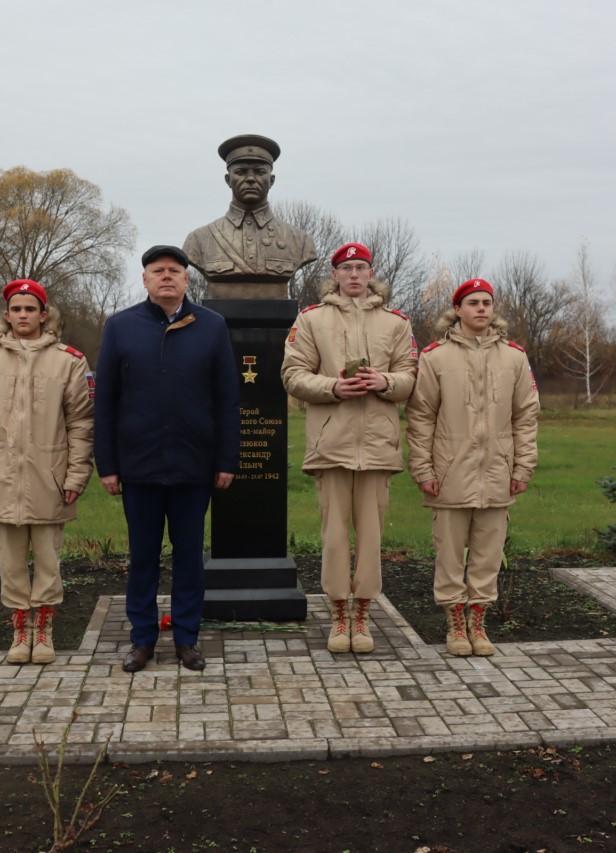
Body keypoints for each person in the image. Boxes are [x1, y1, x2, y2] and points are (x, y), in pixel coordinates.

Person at [94, 245, 239, 673]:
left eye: (174, 271)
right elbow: (106, 402)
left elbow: (227, 398)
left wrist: (226, 459)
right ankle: (142, 640)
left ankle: (187, 639)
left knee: (189, 556)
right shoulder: (121, 327)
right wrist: (108, 465)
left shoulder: (212, 327)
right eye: (157, 271)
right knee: (143, 557)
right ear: (144, 280)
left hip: (193, 466)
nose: (166, 277)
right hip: (138, 466)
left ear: (186, 279)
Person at [281, 242, 418, 654]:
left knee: (372, 537)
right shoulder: (311, 320)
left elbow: (411, 376)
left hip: (378, 447)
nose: (354, 275)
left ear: (371, 272)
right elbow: (292, 374)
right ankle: (339, 614)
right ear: (335, 274)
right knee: (335, 536)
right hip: (332, 444)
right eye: (347, 268)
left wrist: (386, 383)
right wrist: (335, 387)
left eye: (361, 268)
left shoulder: (396, 322)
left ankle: (363, 613)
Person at [0, 279, 93, 665]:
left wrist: (75, 476)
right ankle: (20, 630)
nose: (23, 316)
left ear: (44, 314)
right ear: (7, 315)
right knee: (11, 561)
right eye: (16, 309)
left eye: (30, 309)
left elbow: (81, 424)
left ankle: (44, 630)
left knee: (48, 561)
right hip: (2, 478)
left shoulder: (69, 361)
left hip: (49, 478)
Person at [406, 279, 539, 657]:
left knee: (487, 554)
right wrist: (424, 469)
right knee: (449, 554)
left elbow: (526, 416)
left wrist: (522, 466)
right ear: (458, 309)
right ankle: (454, 624)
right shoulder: (434, 357)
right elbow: (420, 418)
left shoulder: (514, 357)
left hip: (497, 472)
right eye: (473, 303)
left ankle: (478, 621)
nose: (481, 309)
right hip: (450, 473)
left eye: (487, 302)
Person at [182, 134, 318, 299]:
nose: (251, 179)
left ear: (272, 180)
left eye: (260, 172)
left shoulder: (300, 242)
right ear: (228, 180)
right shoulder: (199, 240)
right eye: (241, 172)